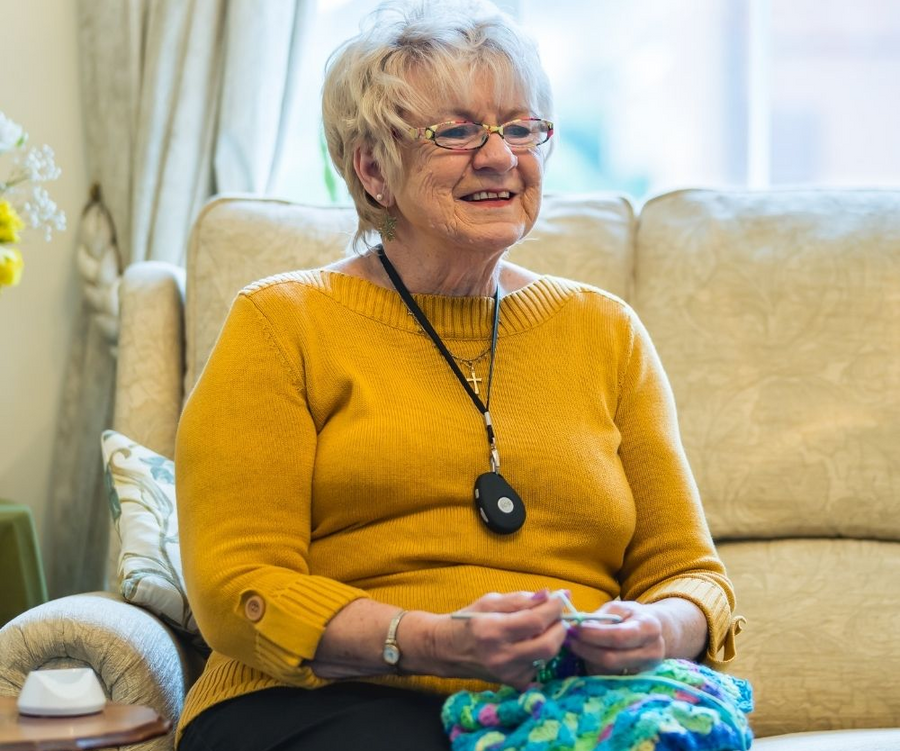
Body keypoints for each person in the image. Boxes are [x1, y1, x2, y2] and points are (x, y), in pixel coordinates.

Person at [174, 1, 743, 749]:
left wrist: (656, 629)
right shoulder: (281, 324)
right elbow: (239, 586)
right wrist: (435, 641)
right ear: (372, 169)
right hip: (325, 699)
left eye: (520, 128)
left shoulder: (606, 332)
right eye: (457, 131)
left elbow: (691, 574)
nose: (501, 156)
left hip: (567, 704)